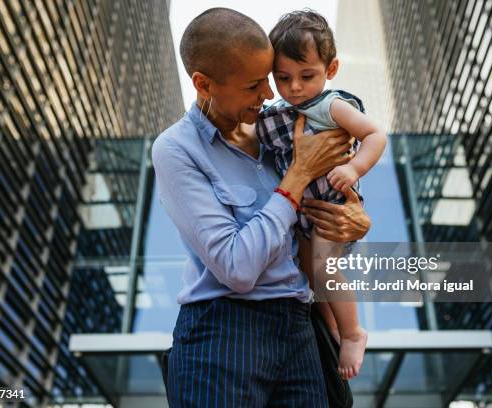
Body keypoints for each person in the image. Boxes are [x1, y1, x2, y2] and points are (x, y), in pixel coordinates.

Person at [152, 7, 370, 407]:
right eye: (255, 85)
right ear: (203, 84)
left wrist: (351, 226)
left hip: (299, 327)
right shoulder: (176, 150)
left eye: (270, 80)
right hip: (223, 332)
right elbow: (236, 267)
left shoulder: (280, 133)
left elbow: (313, 236)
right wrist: (299, 173)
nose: (270, 94)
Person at [256, 9, 387, 380]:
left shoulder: (331, 105)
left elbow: (375, 136)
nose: (294, 87)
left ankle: (352, 332)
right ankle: (333, 330)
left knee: (325, 270)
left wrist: (354, 168)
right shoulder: (280, 113)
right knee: (315, 277)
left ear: (330, 70)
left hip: (330, 204)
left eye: (306, 76)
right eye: (283, 78)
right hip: (303, 211)